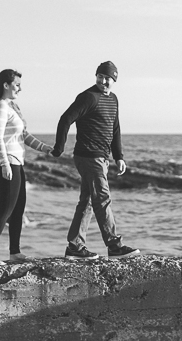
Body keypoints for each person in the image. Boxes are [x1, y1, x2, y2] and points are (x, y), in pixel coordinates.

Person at [52, 61, 140, 259]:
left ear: (114, 79)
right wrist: (59, 147)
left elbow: (115, 127)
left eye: (107, 78)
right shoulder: (88, 97)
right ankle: (114, 246)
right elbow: (65, 119)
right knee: (102, 198)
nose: (103, 81)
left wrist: (119, 156)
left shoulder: (113, 99)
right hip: (88, 156)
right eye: (100, 76)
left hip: (102, 157)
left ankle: (74, 247)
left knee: (88, 201)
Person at [0, 69, 53, 265]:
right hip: (7, 163)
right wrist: (4, 164)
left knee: (18, 210)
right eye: (17, 84)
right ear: (6, 85)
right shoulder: (0, 107)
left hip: (17, 163)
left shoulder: (12, 107)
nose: (20, 88)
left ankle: (15, 252)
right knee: (5, 210)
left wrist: (45, 148)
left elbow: (24, 136)